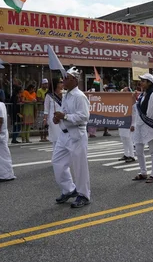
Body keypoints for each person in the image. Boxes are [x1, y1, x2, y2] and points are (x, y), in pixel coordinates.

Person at [52, 67, 92, 208]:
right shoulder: (66, 95)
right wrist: (58, 118)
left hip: (76, 135)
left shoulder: (80, 96)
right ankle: (69, 189)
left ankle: (84, 195)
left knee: (79, 167)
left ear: (74, 80)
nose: (63, 81)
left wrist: (65, 117)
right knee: (57, 163)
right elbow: (64, 112)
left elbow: (84, 117)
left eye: (67, 78)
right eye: (63, 79)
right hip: (64, 135)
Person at [130, 73, 153, 183]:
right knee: (139, 151)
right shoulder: (142, 95)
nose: (140, 82)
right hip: (140, 126)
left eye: (143, 81)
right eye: (141, 80)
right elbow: (137, 110)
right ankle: (143, 172)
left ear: (149, 83)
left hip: (150, 126)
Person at [44, 78, 64, 150]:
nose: (62, 83)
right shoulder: (49, 95)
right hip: (53, 119)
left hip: (63, 118)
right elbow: (46, 109)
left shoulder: (65, 94)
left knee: (63, 138)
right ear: (56, 84)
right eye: (61, 82)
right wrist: (45, 119)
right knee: (56, 138)